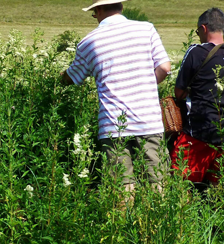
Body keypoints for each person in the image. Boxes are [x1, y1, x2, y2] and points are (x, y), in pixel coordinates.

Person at [62, 0, 172, 198]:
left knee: (122, 191)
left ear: (98, 9)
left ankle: (122, 228)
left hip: (112, 126)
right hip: (148, 122)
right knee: (157, 186)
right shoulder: (146, 30)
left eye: (94, 13)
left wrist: (58, 79)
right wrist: (145, 86)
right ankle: (155, 226)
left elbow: (73, 77)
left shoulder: (89, 42)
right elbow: (165, 68)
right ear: (120, 6)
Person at [172, 8, 224, 185]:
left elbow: (179, 92)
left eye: (198, 30)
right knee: (218, 192)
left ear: (204, 28)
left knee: (181, 189)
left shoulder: (195, 52)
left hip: (197, 134)